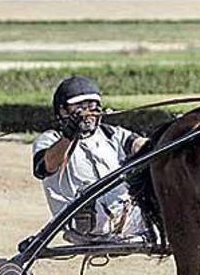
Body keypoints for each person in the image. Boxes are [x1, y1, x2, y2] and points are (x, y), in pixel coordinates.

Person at [32, 76, 151, 244]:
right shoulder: (50, 139)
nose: (87, 112)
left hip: (127, 218)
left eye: (91, 106)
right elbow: (45, 167)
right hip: (82, 221)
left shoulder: (112, 134)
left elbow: (141, 146)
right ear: (63, 111)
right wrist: (69, 135)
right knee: (88, 192)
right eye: (79, 107)